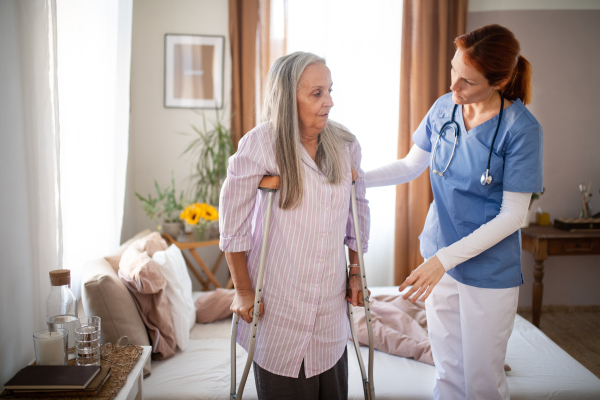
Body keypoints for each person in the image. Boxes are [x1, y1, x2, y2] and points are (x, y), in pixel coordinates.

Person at [366, 24, 543, 399]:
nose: (453, 87)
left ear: (500, 81)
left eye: (468, 81)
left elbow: (513, 216)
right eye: (453, 71)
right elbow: (410, 165)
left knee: (482, 382)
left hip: (487, 269)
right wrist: (353, 179)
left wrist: (442, 261)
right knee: (447, 373)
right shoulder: (445, 108)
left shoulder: (521, 130)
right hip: (439, 257)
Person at [219, 51, 370, 400]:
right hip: (278, 307)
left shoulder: (345, 144)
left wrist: (356, 272)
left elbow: (357, 213)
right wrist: (242, 290)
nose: (329, 102)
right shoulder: (260, 143)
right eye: (316, 93)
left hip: (329, 312)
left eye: (330, 90)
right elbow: (233, 223)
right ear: (289, 98)